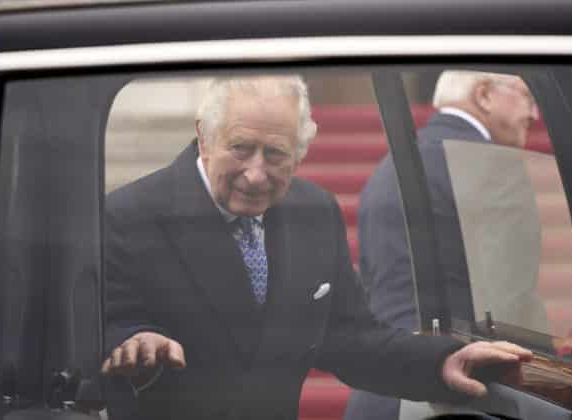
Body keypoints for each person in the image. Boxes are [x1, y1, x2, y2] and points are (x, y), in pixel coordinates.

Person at [100, 75, 532, 420]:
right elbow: (91, 328)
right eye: (241, 149)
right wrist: (130, 340)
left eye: (275, 154)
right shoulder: (128, 214)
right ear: (204, 136)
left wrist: (442, 362)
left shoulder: (314, 209)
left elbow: (351, 338)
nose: (255, 174)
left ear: (301, 152)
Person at [345, 71, 541, 420]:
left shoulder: (391, 166)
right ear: (483, 95)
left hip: (381, 389)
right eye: (527, 96)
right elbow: (513, 296)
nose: (534, 114)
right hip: (458, 392)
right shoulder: (492, 165)